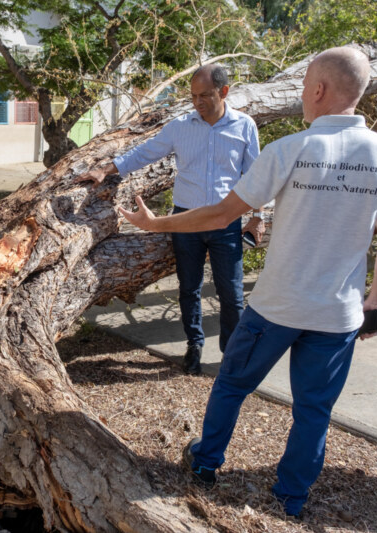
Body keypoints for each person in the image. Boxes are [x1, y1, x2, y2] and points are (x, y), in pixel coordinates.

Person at [117, 46, 377, 517]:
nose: (301, 94)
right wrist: (376, 304)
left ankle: (205, 463)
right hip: (337, 316)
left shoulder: (290, 150)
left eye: (304, 85)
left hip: (275, 308)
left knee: (232, 385)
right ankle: (290, 499)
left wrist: (155, 226)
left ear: (317, 89)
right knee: (313, 411)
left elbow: (220, 214)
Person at [77, 64, 264, 375]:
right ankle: (194, 345)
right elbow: (143, 153)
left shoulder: (244, 126)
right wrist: (105, 169)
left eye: (205, 95)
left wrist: (257, 216)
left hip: (224, 221)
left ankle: (231, 355)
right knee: (188, 287)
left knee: (230, 292)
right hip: (185, 221)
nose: (197, 102)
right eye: (193, 96)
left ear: (224, 92)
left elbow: (257, 175)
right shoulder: (180, 127)